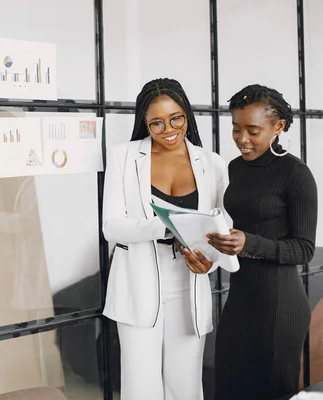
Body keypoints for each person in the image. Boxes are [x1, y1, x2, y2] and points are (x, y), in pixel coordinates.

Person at [102, 78, 239, 400]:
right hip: (137, 280)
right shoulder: (123, 156)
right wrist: (167, 226)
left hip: (189, 279)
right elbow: (112, 226)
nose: (168, 129)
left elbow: (223, 225)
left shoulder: (212, 163)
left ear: (187, 116)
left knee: (186, 384)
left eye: (176, 118)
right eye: (157, 123)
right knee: (140, 385)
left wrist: (209, 261)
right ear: (144, 123)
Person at [210, 84, 318, 399]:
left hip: (279, 307)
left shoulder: (295, 174)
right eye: (236, 129)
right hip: (240, 300)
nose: (242, 139)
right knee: (228, 391)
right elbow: (238, 228)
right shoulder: (235, 169)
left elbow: (304, 249)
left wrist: (250, 244)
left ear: (278, 127)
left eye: (253, 131)